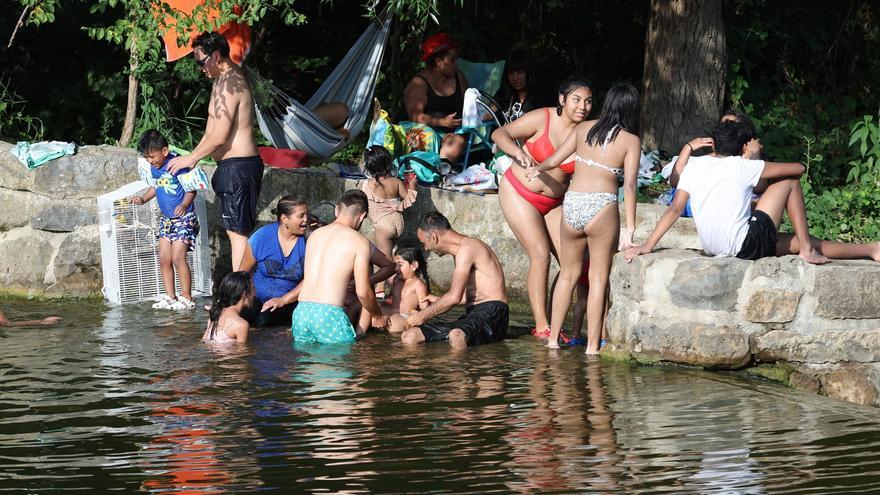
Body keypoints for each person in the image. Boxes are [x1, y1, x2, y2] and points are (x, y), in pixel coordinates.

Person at [625, 120, 880, 265]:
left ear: (713, 144)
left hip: (716, 247)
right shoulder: (742, 165)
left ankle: (870, 249)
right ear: (742, 146)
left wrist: (648, 246)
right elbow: (799, 169)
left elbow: (675, 208)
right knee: (788, 181)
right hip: (744, 244)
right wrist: (753, 156)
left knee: (789, 241)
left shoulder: (696, 165)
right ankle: (808, 250)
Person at [527, 84, 641, 354]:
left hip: (573, 204)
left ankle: (553, 340)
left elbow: (555, 159)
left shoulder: (583, 128)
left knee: (567, 274)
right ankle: (592, 346)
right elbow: (630, 186)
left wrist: (537, 169)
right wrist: (631, 228)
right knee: (599, 278)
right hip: (602, 205)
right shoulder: (630, 140)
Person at [492, 76, 593, 338]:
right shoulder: (543, 118)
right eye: (576, 100)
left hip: (554, 202)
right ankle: (542, 326)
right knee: (540, 254)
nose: (582, 106)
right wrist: (518, 153)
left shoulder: (586, 132)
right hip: (519, 191)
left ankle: (559, 322)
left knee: (573, 264)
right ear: (562, 100)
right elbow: (500, 133)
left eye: (588, 101)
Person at [167, 31, 263, 272]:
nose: (200, 68)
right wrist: (191, 158)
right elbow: (210, 132)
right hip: (232, 168)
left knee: (238, 234)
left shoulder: (230, 84)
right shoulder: (220, 81)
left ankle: (238, 299)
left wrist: (191, 158)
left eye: (201, 62)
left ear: (216, 56)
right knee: (234, 232)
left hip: (239, 168)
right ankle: (238, 295)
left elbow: (220, 137)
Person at [401, 211, 509, 350]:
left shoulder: (469, 248)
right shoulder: (459, 253)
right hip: (473, 315)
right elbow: (466, 297)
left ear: (434, 237)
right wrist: (438, 299)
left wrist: (421, 316)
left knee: (456, 335)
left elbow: (454, 297)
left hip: (493, 313)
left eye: (424, 243)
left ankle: (458, 370)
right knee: (411, 336)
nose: (426, 248)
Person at [292, 190, 384, 344]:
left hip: (301, 312)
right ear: (361, 216)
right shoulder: (359, 241)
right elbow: (363, 292)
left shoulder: (315, 235)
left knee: (308, 366)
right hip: (328, 315)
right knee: (338, 365)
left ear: (336, 210)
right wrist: (377, 315)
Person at [130, 130, 200, 310]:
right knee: (164, 259)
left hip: (184, 218)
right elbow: (156, 186)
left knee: (178, 258)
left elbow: (191, 189)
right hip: (167, 220)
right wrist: (143, 199)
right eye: (146, 157)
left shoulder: (177, 165)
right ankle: (170, 297)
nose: (150, 161)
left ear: (165, 151)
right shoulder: (154, 168)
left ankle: (187, 298)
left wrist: (184, 205)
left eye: (152, 156)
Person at [237, 196, 308, 327]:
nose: (306, 220)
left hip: (288, 299)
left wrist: (283, 300)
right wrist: (226, 302)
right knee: (242, 317)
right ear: (284, 218)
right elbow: (242, 272)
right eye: (301, 216)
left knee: (264, 322)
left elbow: (311, 279)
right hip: (256, 296)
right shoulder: (262, 236)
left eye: (306, 215)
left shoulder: (309, 240)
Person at [360, 146, 418, 298]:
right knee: (388, 259)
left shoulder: (367, 186)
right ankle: (383, 289)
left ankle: (392, 293)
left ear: (368, 167)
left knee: (386, 264)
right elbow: (408, 199)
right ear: (389, 165)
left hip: (383, 227)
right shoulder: (395, 182)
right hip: (398, 224)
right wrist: (412, 186)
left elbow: (363, 205)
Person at [403, 32, 470, 164]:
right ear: (438, 62)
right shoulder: (419, 83)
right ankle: (432, 170)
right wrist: (441, 122)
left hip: (450, 135)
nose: (456, 64)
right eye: (452, 59)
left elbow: (471, 103)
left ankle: (440, 170)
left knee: (457, 142)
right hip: (422, 133)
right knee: (428, 136)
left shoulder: (459, 77)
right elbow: (415, 117)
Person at [375, 246, 432, 333]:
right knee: (371, 310)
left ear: (414, 265)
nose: (396, 268)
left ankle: (383, 324)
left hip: (405, 316)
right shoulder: (396, 280)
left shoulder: (418, 284)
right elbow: (393, 298)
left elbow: (425, 309)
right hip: (392, 311)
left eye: (400, 265)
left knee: (393, 324)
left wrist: (417, 315)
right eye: (395, 265)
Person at [492, 48, 546, 122]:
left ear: (528, 73)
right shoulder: (504, 93)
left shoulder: (541, 96)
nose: (515, 78)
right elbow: (488, 113)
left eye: (520, 72)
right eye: (511, 73)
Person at [202, 271, 253, 344]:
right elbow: (242, 354)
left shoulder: (215, 315)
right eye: (253, 288)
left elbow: (204, 342)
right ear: (244, 294)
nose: (255, 293)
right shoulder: (241, 325)